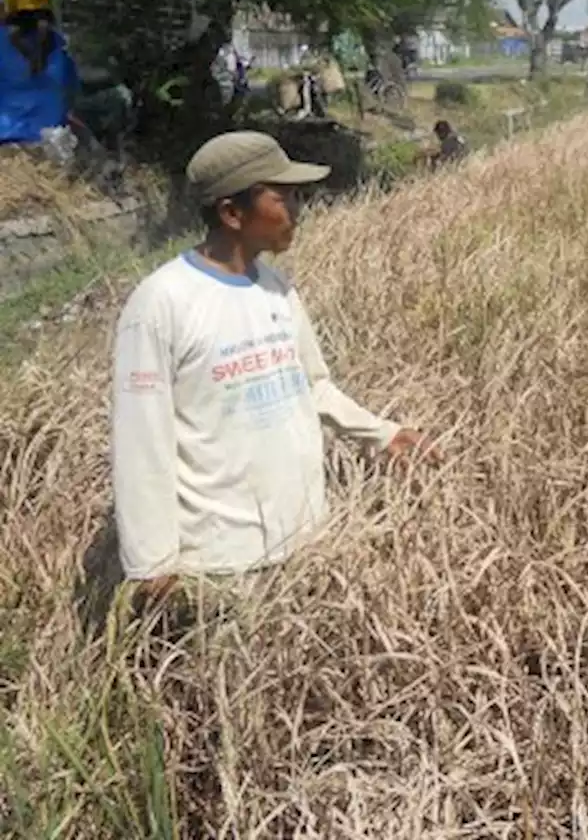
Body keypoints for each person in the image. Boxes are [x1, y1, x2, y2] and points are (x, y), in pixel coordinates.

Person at [111, 131, 436, 603]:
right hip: (222, 566)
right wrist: (152, 564)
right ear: (231, 213)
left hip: (306, 542)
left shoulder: (275, 287)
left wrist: (381, 433)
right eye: (282, 197)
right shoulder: (161, 304)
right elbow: (141, 441)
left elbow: (313, 385)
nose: (297, 209)